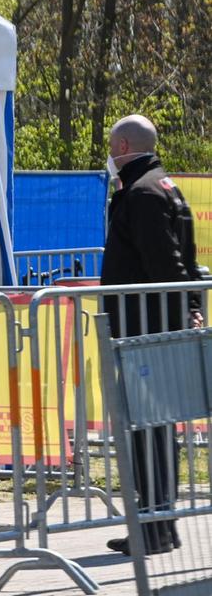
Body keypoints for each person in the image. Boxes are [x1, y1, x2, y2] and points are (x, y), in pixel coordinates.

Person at [101, 114, 201, 556]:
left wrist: (181, 310)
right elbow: (186, 262)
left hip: (145, 329)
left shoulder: (140, 193)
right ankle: (161, 523)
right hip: (159, 327)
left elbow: (164, 264)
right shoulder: (164, 186)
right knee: (158, 429)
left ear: (122, 146)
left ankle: (155, 527)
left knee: (147, 430)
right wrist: (192, 310)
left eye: (110, 144)